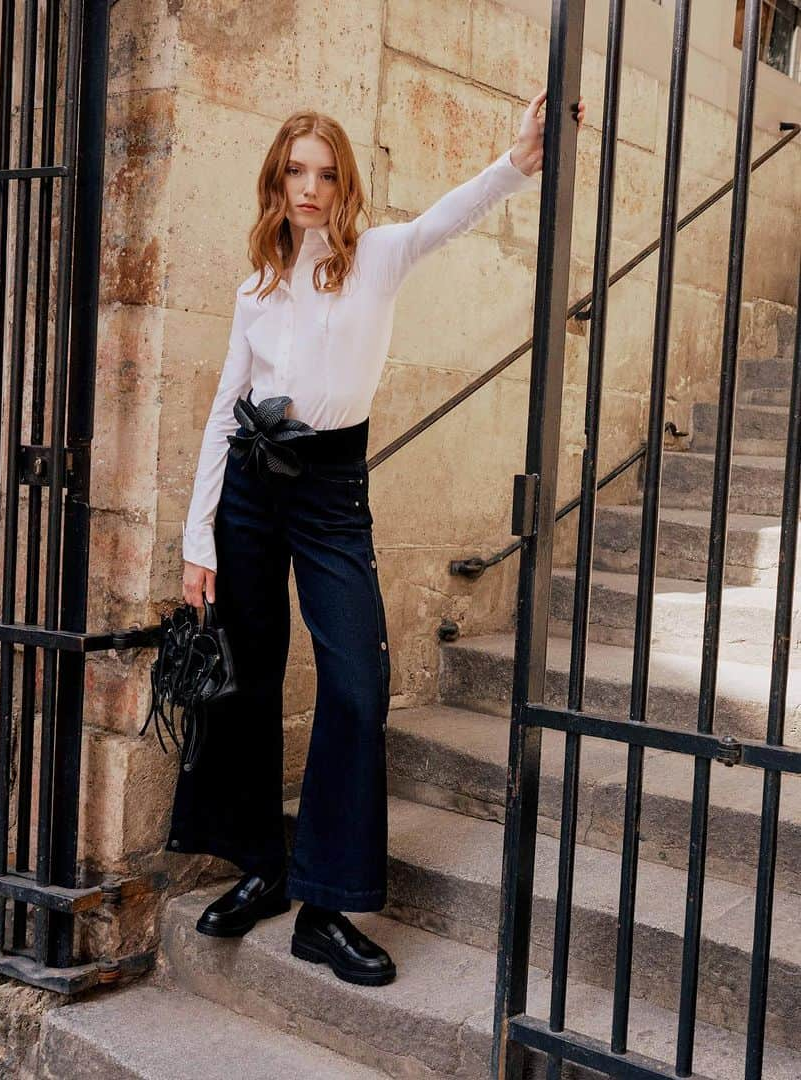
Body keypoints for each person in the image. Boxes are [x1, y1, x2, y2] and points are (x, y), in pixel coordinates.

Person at [169, 88, 585, 988]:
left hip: (327, 492)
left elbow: (453, 213)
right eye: (296, 172)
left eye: (325, 173)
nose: (310, 189)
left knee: (358, 684)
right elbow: (220, 411)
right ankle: (261, 869)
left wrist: (519, 158)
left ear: (344, 182)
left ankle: (325, 905)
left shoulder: (381, 258)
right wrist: (195, 538)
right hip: (248, 486)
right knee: (246, 676)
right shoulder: (256, 286)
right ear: (277, 183)